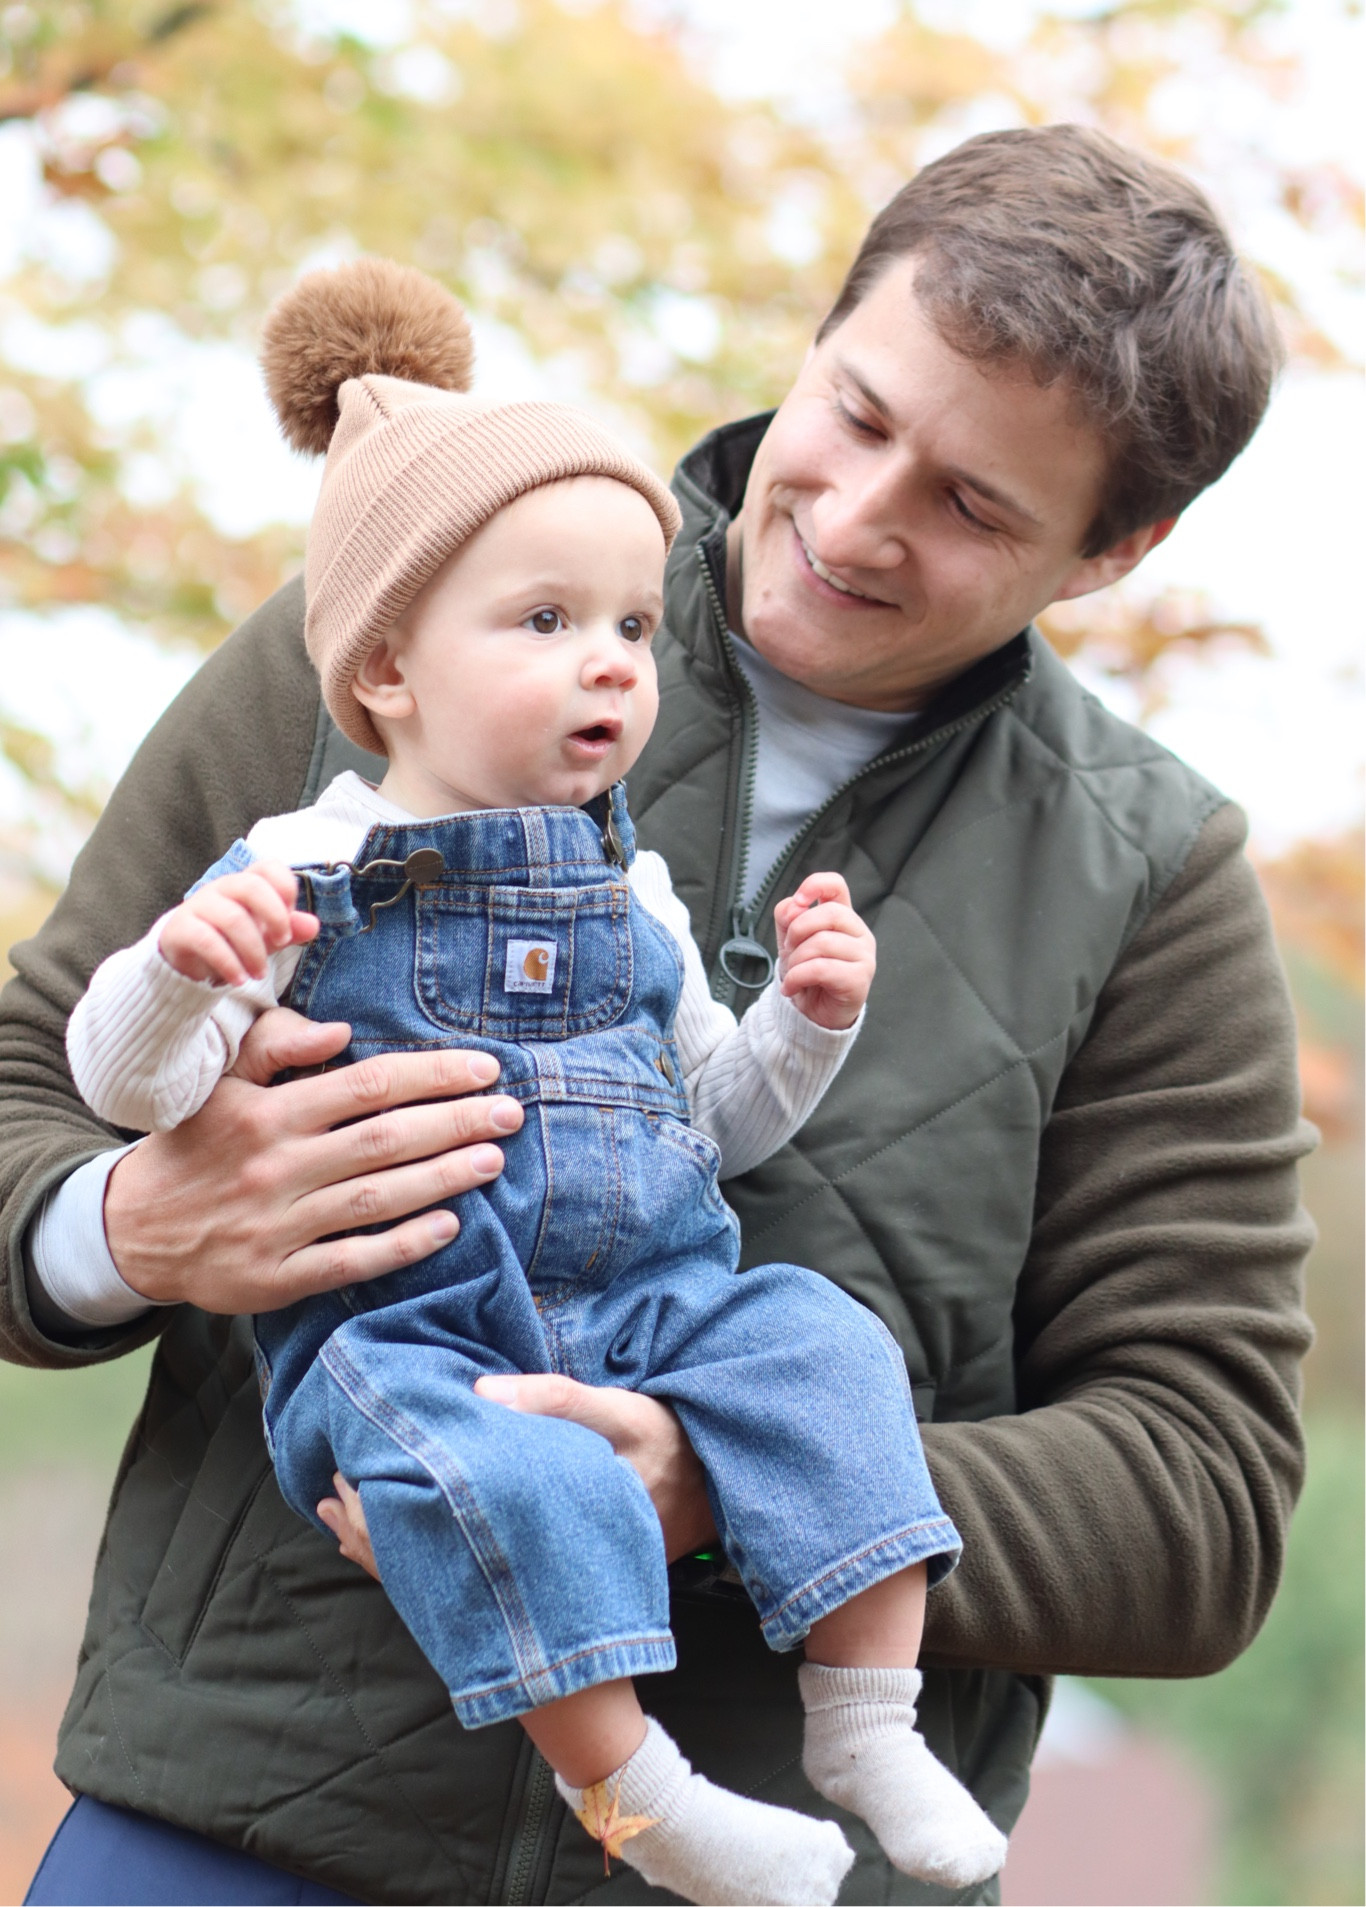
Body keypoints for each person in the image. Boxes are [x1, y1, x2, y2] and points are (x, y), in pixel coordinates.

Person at [6, 124, 1311, 1907]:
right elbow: (29, 1088)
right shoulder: (409, 603)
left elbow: (1200, 1502)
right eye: (856, 414)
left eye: (972, 506)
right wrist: (134, 1226)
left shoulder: (1148, 876)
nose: (853, 520)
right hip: (237, 1826)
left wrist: (729, 1480)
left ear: (1114, 549)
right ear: (819, 333)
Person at [62, 257, 1008, 1906]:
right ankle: (635, 1792)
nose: (615, 664)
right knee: (511, 1480)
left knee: (821, 1350)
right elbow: (129, 1088)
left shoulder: (630, 891)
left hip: (653, 1307)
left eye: (635, 626)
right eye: (548, 623)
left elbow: (708, 1125)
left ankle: (865, 1717)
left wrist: (803, 1021)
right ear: (386, 671)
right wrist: (178, 975)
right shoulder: (298, 866)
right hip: (412, 1341)